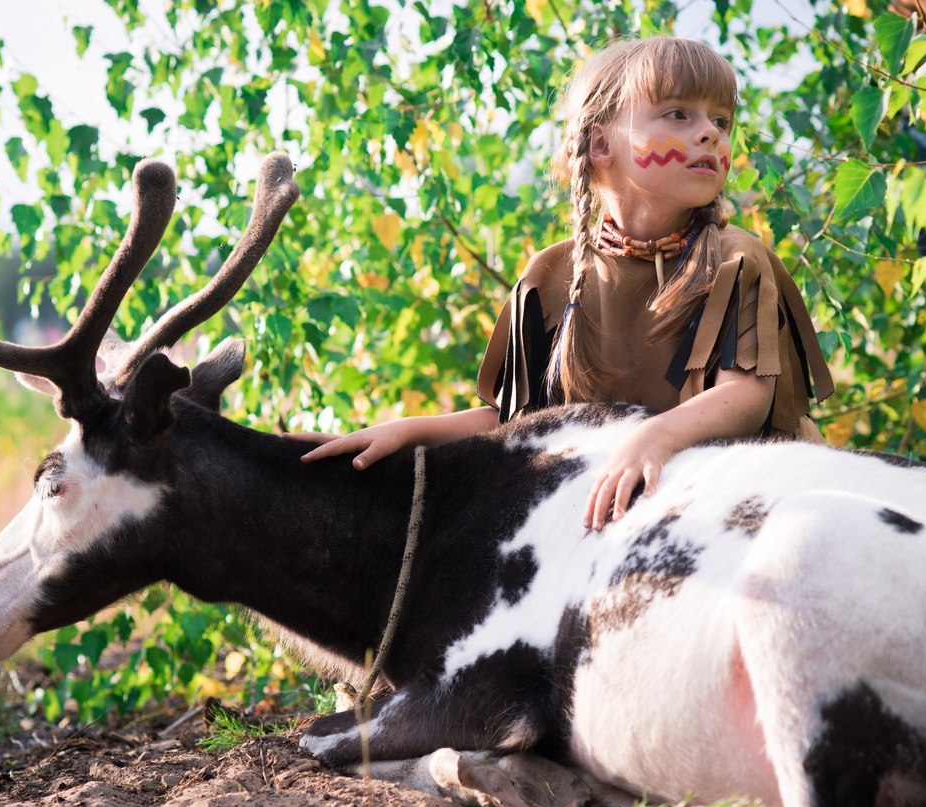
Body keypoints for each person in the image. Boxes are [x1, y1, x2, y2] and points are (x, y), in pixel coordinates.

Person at [289, 36, 833, 530]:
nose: (710, 132)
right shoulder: (550, 276)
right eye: (677, 113)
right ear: (600, 146)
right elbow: (517, 422)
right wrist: (409, 431)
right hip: (610, 522)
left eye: (721, 120)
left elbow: (746, 395)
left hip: (741, 507)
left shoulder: (738, 259)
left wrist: (655, 436)